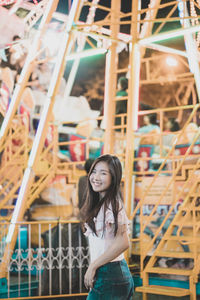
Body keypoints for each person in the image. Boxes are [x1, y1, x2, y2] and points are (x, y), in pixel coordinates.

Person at [80, 154, 134, 299]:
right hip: (112, 273)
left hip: (110, 273)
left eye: (103, 173)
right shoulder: (103, 204)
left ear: (114, 177)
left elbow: (123, 242)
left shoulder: (112, 205)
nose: (96, 177)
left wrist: (93, 266)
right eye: (94, 171)